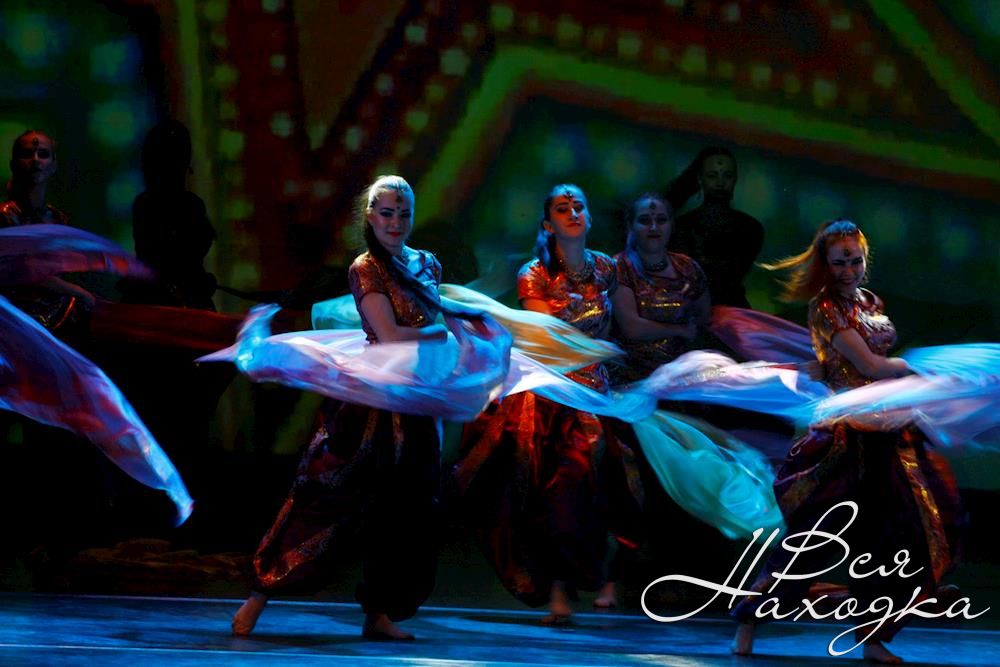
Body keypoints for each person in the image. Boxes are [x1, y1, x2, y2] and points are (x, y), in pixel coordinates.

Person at [730, 219, 963, 664]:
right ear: (825, 264)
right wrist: (925, 367)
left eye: (855, 261)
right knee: (814, 540)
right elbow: (871, 367)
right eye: (839, 263)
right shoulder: (826, 307)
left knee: (899, 537)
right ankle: (750, 618)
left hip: (889, 431)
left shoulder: (870, 302)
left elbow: (871, 365)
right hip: (846, 437)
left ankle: (872, 637)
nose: (849, 270)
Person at [231, 176, 448, 641]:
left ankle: (379, 612)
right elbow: (389, 335)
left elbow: (436, 317)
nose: (396, 222)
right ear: (370, 217)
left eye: (404, 213)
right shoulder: (366, 267)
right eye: (387, 213)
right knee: (327, 495)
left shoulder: (427, 263)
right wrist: (438, 333)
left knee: (406, 510)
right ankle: (260, 594)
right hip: (370, 405)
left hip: (416, 400)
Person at [455, 184, 643, 624]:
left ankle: (606, 578)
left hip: (597, 393)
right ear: (547, 224)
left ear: (589, 218)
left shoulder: (607, 268)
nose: (573, 212)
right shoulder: (535, 273)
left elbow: (620, 322)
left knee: (613, 486)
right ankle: (559, 589)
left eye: (579, 206)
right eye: (562, 208)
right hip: (552, 393)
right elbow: (546, 336)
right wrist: (594, 348)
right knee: (559, 490)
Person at [0, 130, 94, 334]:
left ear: (53, 165)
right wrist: (77, 292)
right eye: (27, 154)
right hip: (15, 318)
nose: (35, 160)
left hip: (57, 313)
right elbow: (25, 271)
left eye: (43, 154)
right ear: (14, 164)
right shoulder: (5, 216)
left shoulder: (58, 219)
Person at [611, 192, 710, 383]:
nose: (654, 227)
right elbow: (632, 328)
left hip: (682, 372)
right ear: (631, 226)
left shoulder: (687, 267)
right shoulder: (618, 266)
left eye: (661, 220)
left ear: (672, 225)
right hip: (632, 375)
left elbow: (704, 317)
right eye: (644, 221)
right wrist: (680, 330)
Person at [666, 146, 763, 309]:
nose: (720, 182)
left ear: (735, 179)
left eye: (727, 176)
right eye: (712, 176)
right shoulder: (682, 227)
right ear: (700, 179)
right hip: (693, 310)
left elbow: (731, 275)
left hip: (731, 311)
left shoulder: (750, 228)